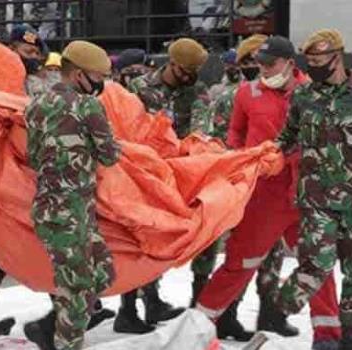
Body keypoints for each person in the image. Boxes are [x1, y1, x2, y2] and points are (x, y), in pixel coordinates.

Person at [271, 29, 352, 350]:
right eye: (310, 61)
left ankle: (350, 337)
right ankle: (278, 311)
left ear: (337, 57)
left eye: (319, 60)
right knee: (317, 264)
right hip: (315, 198)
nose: (313, 66)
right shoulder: (303, 96)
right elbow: (285, 137)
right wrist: (262, 157)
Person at [195, 35, 313, 342]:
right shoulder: (245, 94)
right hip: (261, 192)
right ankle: (202, 323)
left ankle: (316, 327)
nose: (261, 70)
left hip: (303, 191)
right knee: (242, 261)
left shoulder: (312, 93)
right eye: (257, 63)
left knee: (316, 262)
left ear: (290, 63)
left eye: (268, 64)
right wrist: (237, 163)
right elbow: (234, 132)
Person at [22, 40, 121, 350]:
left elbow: (34, 157)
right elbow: (109, 155)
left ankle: (50, 328)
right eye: (97, 75)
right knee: (76, 289)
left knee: (102, 272)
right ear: (78, 74)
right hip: (70, 214)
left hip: (59, 212)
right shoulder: (87, 105)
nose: (100, 82)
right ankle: (64, 341)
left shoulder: (36, 104)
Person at [116, 37, 211, 334]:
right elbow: (124, 125)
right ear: (171, 64)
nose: (189, 78)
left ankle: (154, 300)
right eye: (185, 71)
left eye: (193, 73)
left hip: (175, 173)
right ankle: (128, 310)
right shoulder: (139, 88)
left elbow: (200, 129)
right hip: (139, 173)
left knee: (161, 240)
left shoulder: (196, 91)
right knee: (135, 240)